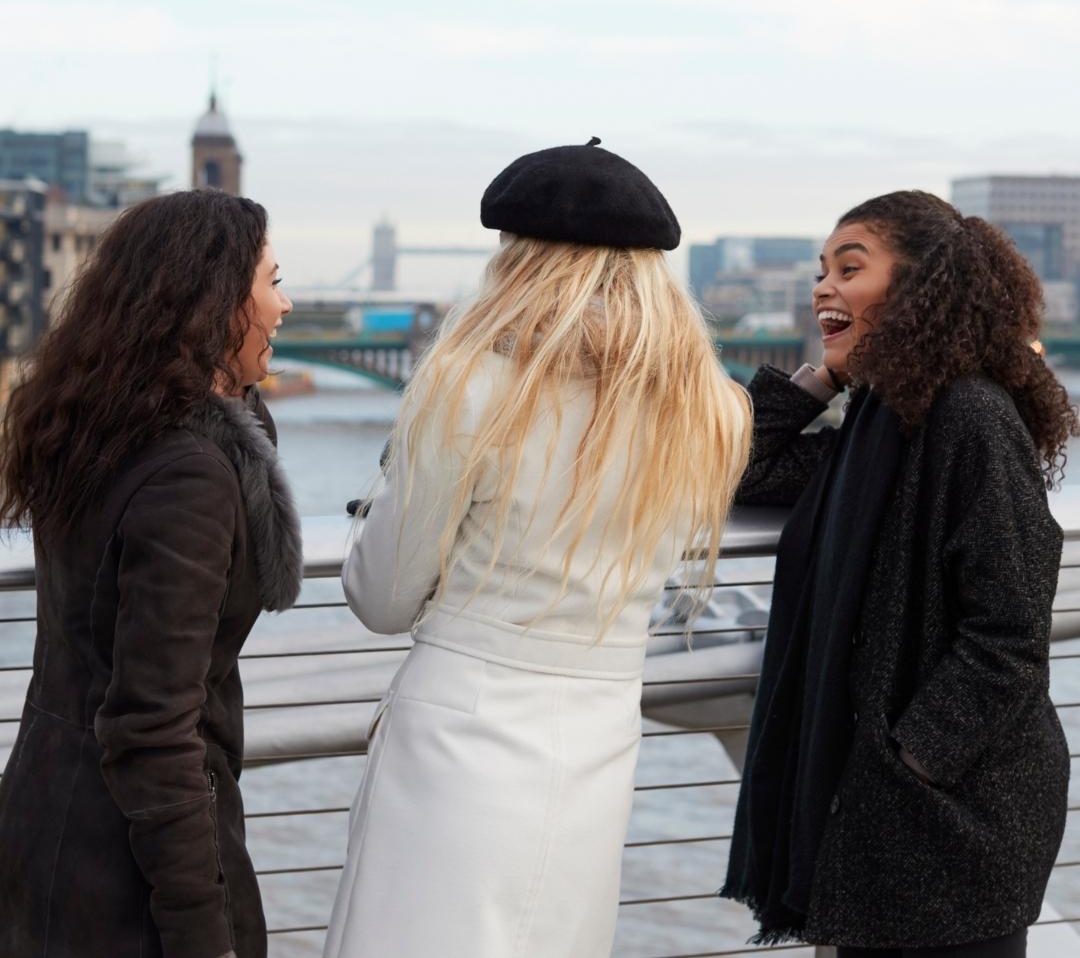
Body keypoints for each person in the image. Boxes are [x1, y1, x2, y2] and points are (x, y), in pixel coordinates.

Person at [323, 139, 752, 958]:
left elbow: (381, 599)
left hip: (457, 739)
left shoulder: (470, 386)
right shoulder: (710, 412)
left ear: (519, 262)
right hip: (599, 739)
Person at [722, 190, 1078, 957]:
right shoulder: (878, 424)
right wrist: (822, 380)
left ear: (921, 288)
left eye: (849, 267)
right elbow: (743, 474)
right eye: (821, 271)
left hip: (957, 815)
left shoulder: (970, 418)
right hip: (894, 813)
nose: (823, 287)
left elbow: (1010, 632)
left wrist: (906, 760)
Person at [0, 189, 302, 958]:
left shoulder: (101, 428)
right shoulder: (190, 477)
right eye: (271, 281)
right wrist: (205, 928)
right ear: (215, 303)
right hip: (126, 870)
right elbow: (153, 729)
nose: (285, 305)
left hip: (44, 817)